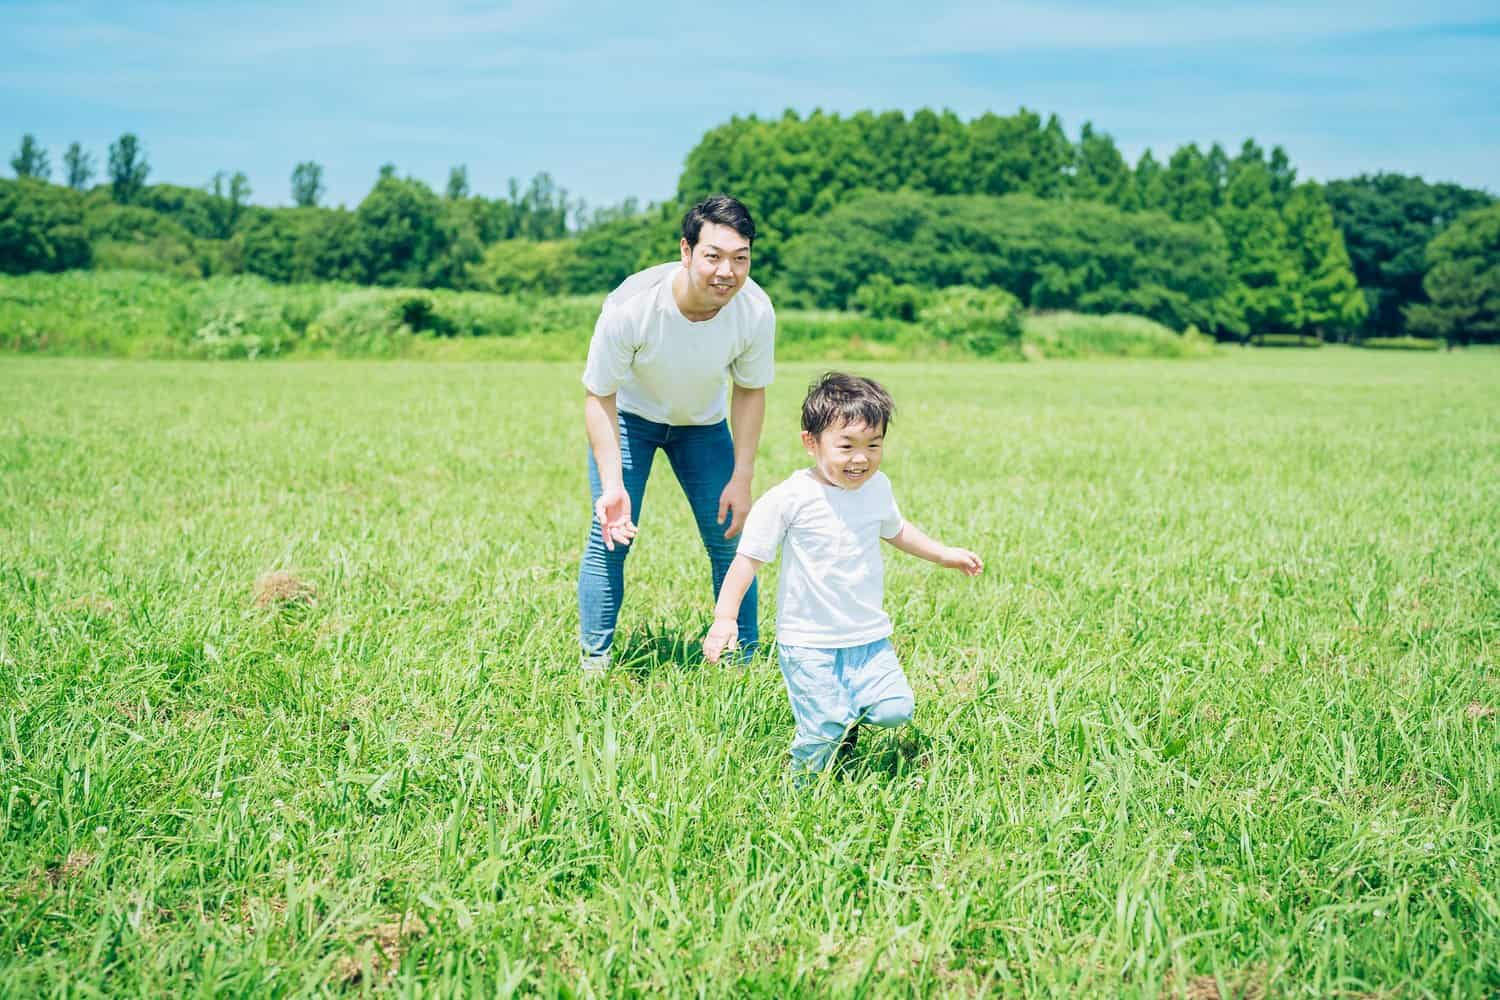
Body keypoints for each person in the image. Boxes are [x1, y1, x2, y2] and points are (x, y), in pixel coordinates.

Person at [702, 372, 983, 777]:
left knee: (895, 708)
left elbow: (897, 530)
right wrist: (725, 618)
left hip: (867, 637)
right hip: (809, 642)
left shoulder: (877, 487)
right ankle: (801, 788)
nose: (861, 458)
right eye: (846, 446)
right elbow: (747, 559)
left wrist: (943, 555)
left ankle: (842, 724)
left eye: (874, 445)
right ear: (811, 443)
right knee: (821, 728)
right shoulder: (789, 498)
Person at [578, 195, 775, 674]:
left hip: (703, 428)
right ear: (686, 251)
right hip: (630, 421)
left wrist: (742, 476)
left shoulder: (754, 310)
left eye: (740, 258)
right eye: (713, 256)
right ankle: (595, 662)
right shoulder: (631, 306)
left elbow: (750, 391)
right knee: (612, 536)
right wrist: (612, 485)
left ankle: (739, 660)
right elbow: (598, 396)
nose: (726, 271)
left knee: (731, 538)